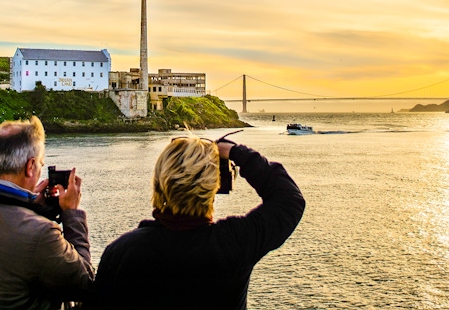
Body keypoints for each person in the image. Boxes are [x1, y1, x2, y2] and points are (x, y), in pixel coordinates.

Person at [85, 132, 306, 310]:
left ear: (159, 180)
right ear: (215, 184)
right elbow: (289, 200)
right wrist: (237, 152)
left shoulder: (122, 252)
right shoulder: (233, 244)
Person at [0, 116, 94, 310]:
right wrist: (72, 214)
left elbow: (11, 239)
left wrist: (33, 207)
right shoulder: (41, 234)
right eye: (40, 164)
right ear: (30, 166)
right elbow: (85, 283)